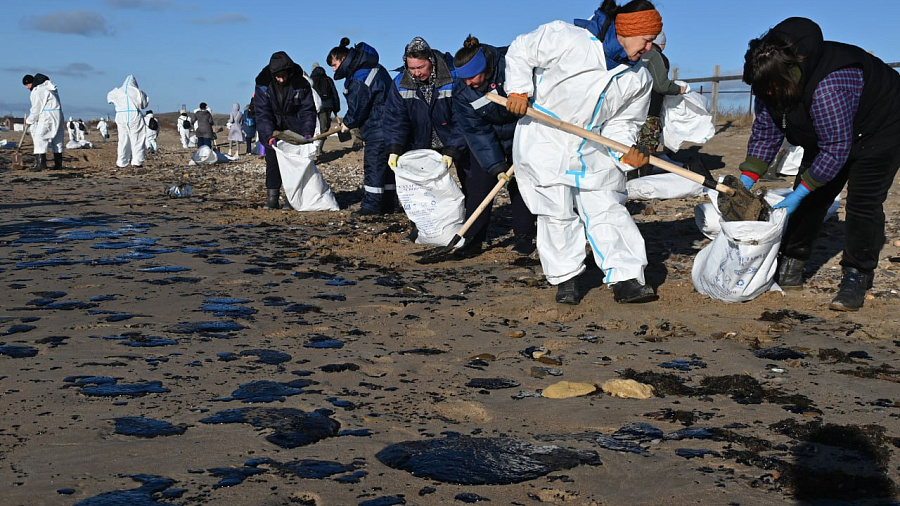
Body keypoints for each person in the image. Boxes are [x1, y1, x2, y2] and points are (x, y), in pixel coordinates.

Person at [502, 0, 663, 305]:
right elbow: (521, 49)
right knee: (556, 211)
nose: (649, 48)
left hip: (594, 144)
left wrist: (624, 151)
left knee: (607, 206)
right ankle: (567, 278)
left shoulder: (639, 77)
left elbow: (625, 121)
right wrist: (519, 89)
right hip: (546, 138)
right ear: (627, 32)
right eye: (646, 40)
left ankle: (626, 278)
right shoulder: (568, 37)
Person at [738, 17, 900, 312]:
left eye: (770, 91)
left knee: (863, 203)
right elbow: (766, 131)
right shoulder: (769, 82)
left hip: (882, 127)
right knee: (813, 196)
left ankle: (856, 275)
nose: (767, 97)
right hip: (827, 130)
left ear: (788, 78)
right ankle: (791, 264)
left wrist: (799, 193)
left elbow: (837, 148)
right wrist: (748, 178)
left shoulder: (829, 87)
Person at [451, 35, 538, 255]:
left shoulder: (511, 64)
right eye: (465, 79)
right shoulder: (463, 92)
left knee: (521, 186)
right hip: (491, 138)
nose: (469, 83)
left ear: (484, 67)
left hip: (525, 131)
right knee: (479, 186)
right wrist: (496, 165)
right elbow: (475, 131)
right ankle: (472, 238)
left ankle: (525, 236)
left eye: (472, 77)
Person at [327, 38, 393, 216]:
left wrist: (347, 123)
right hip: (390, 124)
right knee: (387, 168)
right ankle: (389, 203)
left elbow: (358, 107)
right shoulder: (369, 67)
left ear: (342, 59)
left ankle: (371, 207)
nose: (333, 70)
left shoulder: (359, 77)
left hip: (377, 126)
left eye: (334, 65)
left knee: (374, 165)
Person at [253, 51, 317, 209]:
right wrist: (268, 135)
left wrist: (307, 131)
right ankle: (272, 198)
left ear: (289, 72)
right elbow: (262, 113)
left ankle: (291, 199)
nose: (281, 79)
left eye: (284, 75)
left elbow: (308, 110)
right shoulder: (263, 85)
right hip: (273, 129)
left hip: (294, 129)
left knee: (294, 165)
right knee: (273, 163)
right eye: (278, 76)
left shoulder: (301, 84)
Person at [635, 31, 686, 161]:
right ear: (661, 44)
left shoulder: (634, 53)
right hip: (650, 108)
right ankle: (642, 177)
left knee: (629, 143)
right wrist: (677, 89)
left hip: (631, 108)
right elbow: (661, 85)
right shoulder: (656, 57)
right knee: (647, 147)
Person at [22, 73, 65, 171]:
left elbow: (36, 109)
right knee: (57, 139)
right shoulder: (51, 87)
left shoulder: (38, 91)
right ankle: (58, 165)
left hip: (47, 116)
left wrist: (29, 120)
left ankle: (41, 164)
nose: (26, 88)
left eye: (26, 85)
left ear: (31, 83)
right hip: (58, 114)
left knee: (39, 138)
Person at [107, 75, 149, 168]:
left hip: (121, 115)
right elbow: (144, 104)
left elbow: (109, 98)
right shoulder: (137, 92)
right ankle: (137, 162)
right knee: (137, 139)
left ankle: (121, 162)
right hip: (134, 115)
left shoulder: (116, 91)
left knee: (123, 140)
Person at [310, 62, 341, 156]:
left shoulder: (310, 81)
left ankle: (313, 148)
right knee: (324, 128)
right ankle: (319, 148)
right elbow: (334, 94)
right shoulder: (328, 80)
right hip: (327, 106)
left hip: (313, 107)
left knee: (313, 128)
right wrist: (336, 107)